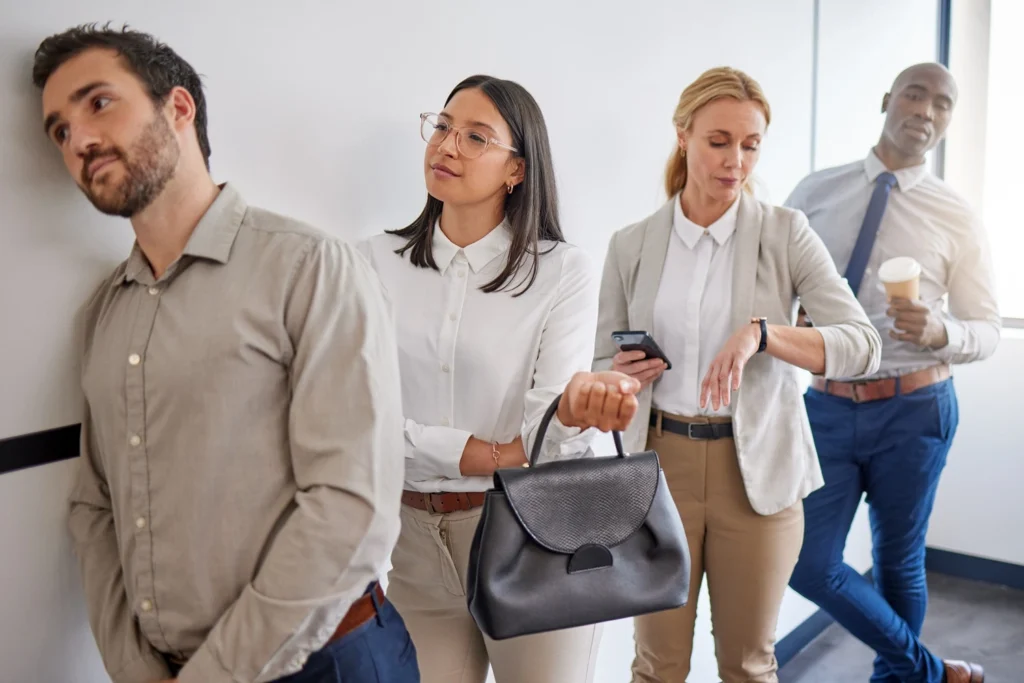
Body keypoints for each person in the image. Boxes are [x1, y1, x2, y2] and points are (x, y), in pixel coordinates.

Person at [35, 25, 419, 683]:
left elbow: (350, 506)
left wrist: (215, 673)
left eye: (98, 103)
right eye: (60, 131)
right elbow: (93, 507)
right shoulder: (103, 313)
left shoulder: (310, 268)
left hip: (330, 663)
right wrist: (134, 667)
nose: (80, 140)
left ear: (178, 109)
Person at [593, 66, 882, 683]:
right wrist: (620, 378)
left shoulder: (785, 234)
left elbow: (862, 345)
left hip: (757, 476)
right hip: (656, 469)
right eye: (718, 141)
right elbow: (599, 366)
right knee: (656, 665)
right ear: (683, 136)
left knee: (748, 666)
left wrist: (764, 333)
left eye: (750, 145)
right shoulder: (632, 244)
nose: (736, 161)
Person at [358, 75, 640, 683]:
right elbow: (359, 417)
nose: (447, 146)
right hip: (411, 540)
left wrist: (534, 438)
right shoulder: (369, 263)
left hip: (529, 534)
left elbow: (550, 437)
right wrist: (488, 452)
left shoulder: (560, 272)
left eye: (476, 136)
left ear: (517, 169)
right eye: (442, 127)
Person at [786, 62, 998, 683]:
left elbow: (986, 328)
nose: (927, 111)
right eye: (915, 94)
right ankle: (931, 671)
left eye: (943, 103)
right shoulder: (814, 191)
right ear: (887, 100)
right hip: (826, 403)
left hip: (917, 405)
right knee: (807, 561)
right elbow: (772, 287)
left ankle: (898, 677)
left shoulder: (956, 214)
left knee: (899, 561)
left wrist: (941, 333)